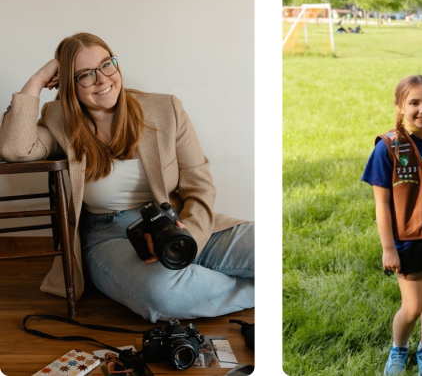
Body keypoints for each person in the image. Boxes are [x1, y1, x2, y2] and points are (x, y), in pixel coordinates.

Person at [1, 33, 254, 322]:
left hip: (174, 222)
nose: (102, 79)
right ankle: (253, 291)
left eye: (107, 64)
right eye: (85, 74)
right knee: (163, 292)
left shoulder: (165, 109)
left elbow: (200, 184)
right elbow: (15, 149)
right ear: (69, 86)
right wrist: (37, 79)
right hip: (108, 236)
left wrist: (190, 238)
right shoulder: (59, 119)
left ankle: (199, 284)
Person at [361, 75, 422, 376]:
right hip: (408, 240)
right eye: (414, 102)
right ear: (400, 106)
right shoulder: (388, 147)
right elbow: (383, 203)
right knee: (412, 307)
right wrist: (389, 248)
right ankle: (399, 347)